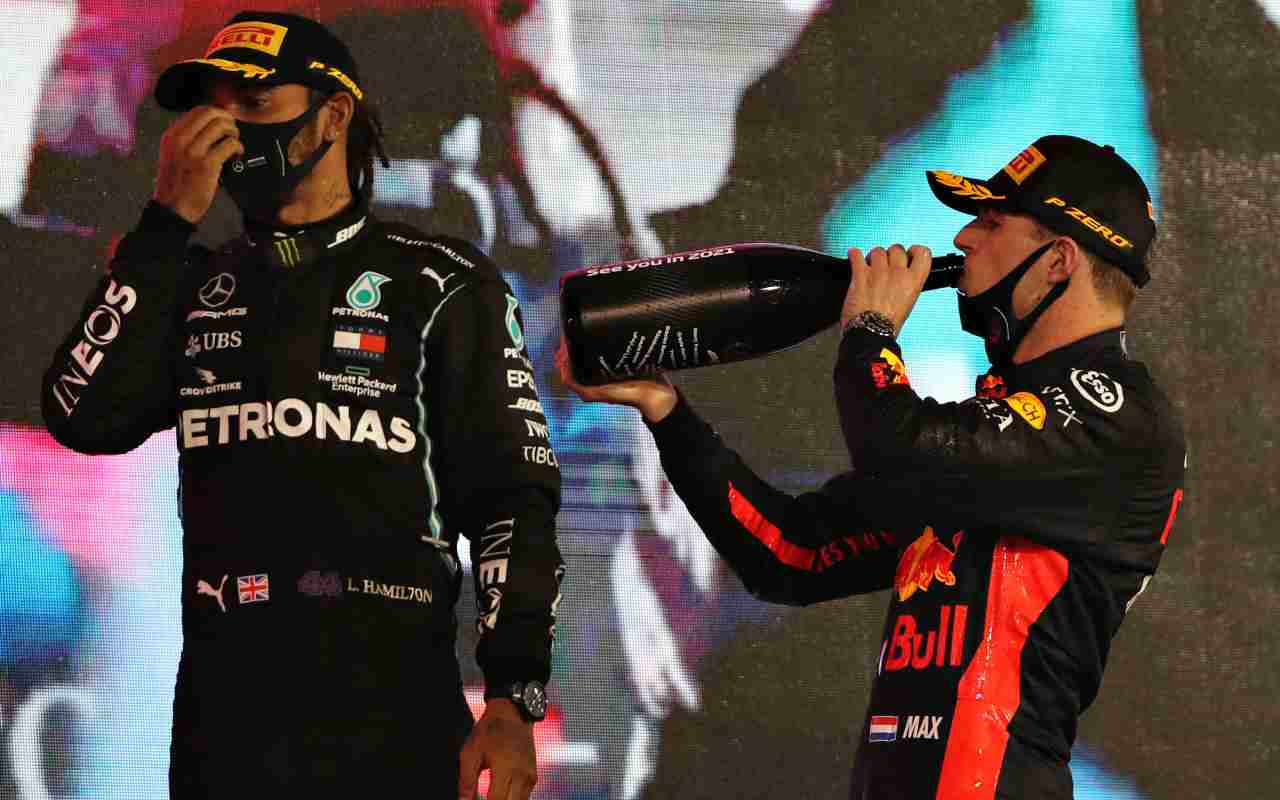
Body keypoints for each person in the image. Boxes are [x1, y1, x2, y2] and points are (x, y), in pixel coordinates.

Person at [559, 134, 1186, 800]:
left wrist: (871, 330)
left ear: (1058, 260)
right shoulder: (989, 445)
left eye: (991, 222)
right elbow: (790, 553)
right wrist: (665, 409)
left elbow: (902, 458)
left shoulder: (1117, 414)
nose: (963, 238)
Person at [40, 12, 564, 800]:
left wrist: (513, 697)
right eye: (213, 108)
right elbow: (79, 414)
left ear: (333, 116)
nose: (226, 132)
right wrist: (164, 225)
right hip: (227, 730)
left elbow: (514, 500)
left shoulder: (442, 283)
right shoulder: (194, 283)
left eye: (254, 104)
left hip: (395, 721)